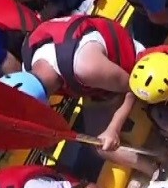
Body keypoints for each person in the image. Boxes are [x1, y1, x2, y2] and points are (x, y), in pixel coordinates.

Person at [21, 16, 156, 175]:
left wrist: (113, 128)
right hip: (98, 86)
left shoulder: (86, 67)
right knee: (98, 145)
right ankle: (153, 168)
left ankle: (155, 164)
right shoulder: (29, 66)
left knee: (104, 142)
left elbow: (134, 87)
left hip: (130, 68)